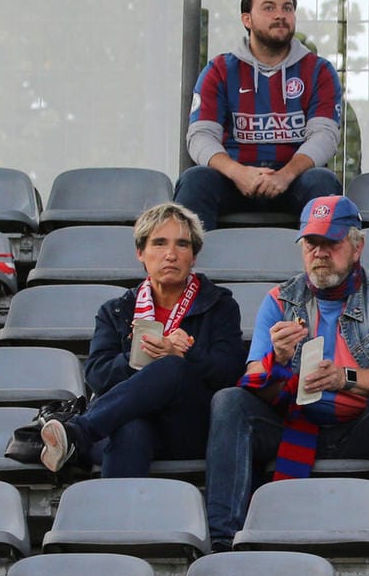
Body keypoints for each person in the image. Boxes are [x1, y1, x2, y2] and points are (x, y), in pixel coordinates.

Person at [204, 196, 369, 550]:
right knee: (229, 401)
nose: (320, 252)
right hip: (294, 421)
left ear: (357, 247)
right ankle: (221, 539)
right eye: (311, 242)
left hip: (360, 427)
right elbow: (254, 382)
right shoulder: (279, 299)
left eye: (331, 243)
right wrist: (276, 360)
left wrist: (344, 378)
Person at [37, 203, 245, 476]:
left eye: (182, 245)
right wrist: (136, 359)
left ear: (193, 256)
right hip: (125, 424)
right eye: (159, 243)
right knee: (130, 429)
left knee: (173, 366)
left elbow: (231, 373)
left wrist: (185, 355)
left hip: (189, 428)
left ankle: (78, 432)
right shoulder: (116, 310)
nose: (170, 254)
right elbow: (97, 375)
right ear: (140, 253)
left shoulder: (220, 305)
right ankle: (115, 518)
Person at [174, 0, 344, 231]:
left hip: (294, 179)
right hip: (234, 180)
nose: (280, 15)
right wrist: (238, 172)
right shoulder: (219, 70)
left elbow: (325, 135)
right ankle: (194, 270)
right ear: (247, 19)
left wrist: (285, 175)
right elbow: (200, 136)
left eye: (287, 8)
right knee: (194, 180)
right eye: (269, 8)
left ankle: (320, 270)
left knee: (323, 181)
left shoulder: (319, 70)